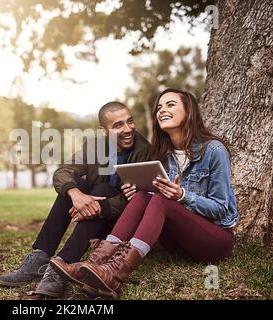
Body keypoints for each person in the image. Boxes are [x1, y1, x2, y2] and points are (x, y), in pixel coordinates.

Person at [50, 88, 239, 299]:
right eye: (159, 107)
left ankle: (114, 273)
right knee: (142, 197)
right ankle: (95, 264)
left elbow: (221, 210)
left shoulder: (214, 150)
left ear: (189, 111)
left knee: (161, 200)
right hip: (178, 243)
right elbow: (155, 203)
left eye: (170, 104)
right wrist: (139, 192)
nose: (162, 110)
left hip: (214, 240)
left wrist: (182, 196)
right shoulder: (162, 155)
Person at [0, 101, 151, 298]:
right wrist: (77, 195)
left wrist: (97, 205)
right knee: (74, 184)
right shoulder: (94, 145)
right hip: (95, 214)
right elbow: (63, 171)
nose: (128, 129)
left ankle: (62, 265)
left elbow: (134, 202)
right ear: (104, 131)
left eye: (130, 122)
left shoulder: (144, 150)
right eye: (118, 125)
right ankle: (40, 257)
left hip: (118, 222)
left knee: (103, 188)